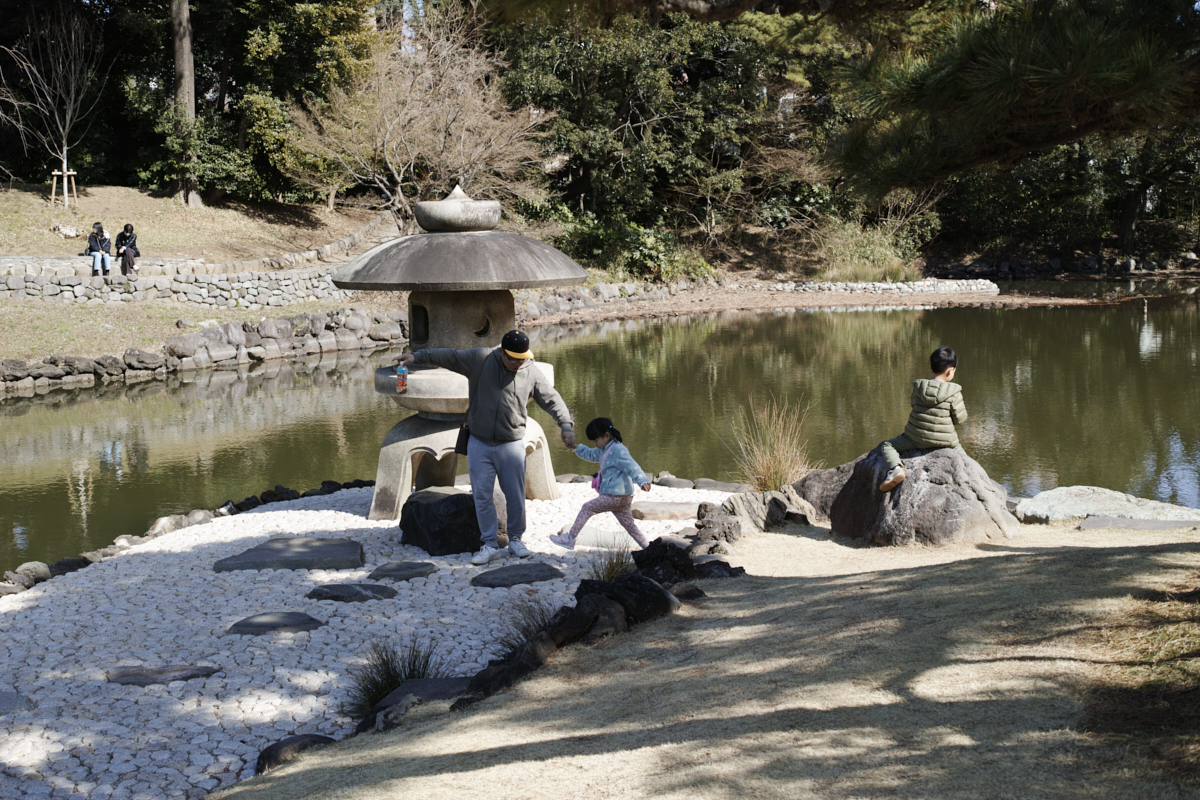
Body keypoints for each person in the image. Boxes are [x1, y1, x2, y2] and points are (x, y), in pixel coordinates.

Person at [394, 330, 575, 565]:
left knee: (515, 496)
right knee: (482, 496)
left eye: (523, 358)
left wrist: (565, 425)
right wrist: (416, 356)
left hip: (511, 445)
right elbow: (448, 356)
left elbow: (552, 399)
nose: (519, 363)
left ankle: (516, 540)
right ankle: (489, 544)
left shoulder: (529, 370)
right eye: (514, 359)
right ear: (502, 353)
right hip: (479, 443)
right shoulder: (480, 359)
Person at [550, 417, 652, 550]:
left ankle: (570, 538)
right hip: (622, 497)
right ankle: (649, 549)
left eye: (596, 440)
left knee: (587, 508)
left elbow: (631, 466)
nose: (595, 444)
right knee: (630, 527)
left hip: (616, 496)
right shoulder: (603, 449)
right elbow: (590, 454)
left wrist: (642, 480)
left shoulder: (618, 450)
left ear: (606, 435)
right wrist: (575, 447)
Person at [877, 345, 968, 492]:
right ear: (950, 371)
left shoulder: (919, 387)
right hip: (946, 441)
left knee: (888, 445)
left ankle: (896, 469)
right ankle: (969, 477)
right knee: (964, 458)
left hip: (914, 437)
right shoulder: (954, 392)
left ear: (933, 367)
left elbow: (914, 405)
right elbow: (960, 419)